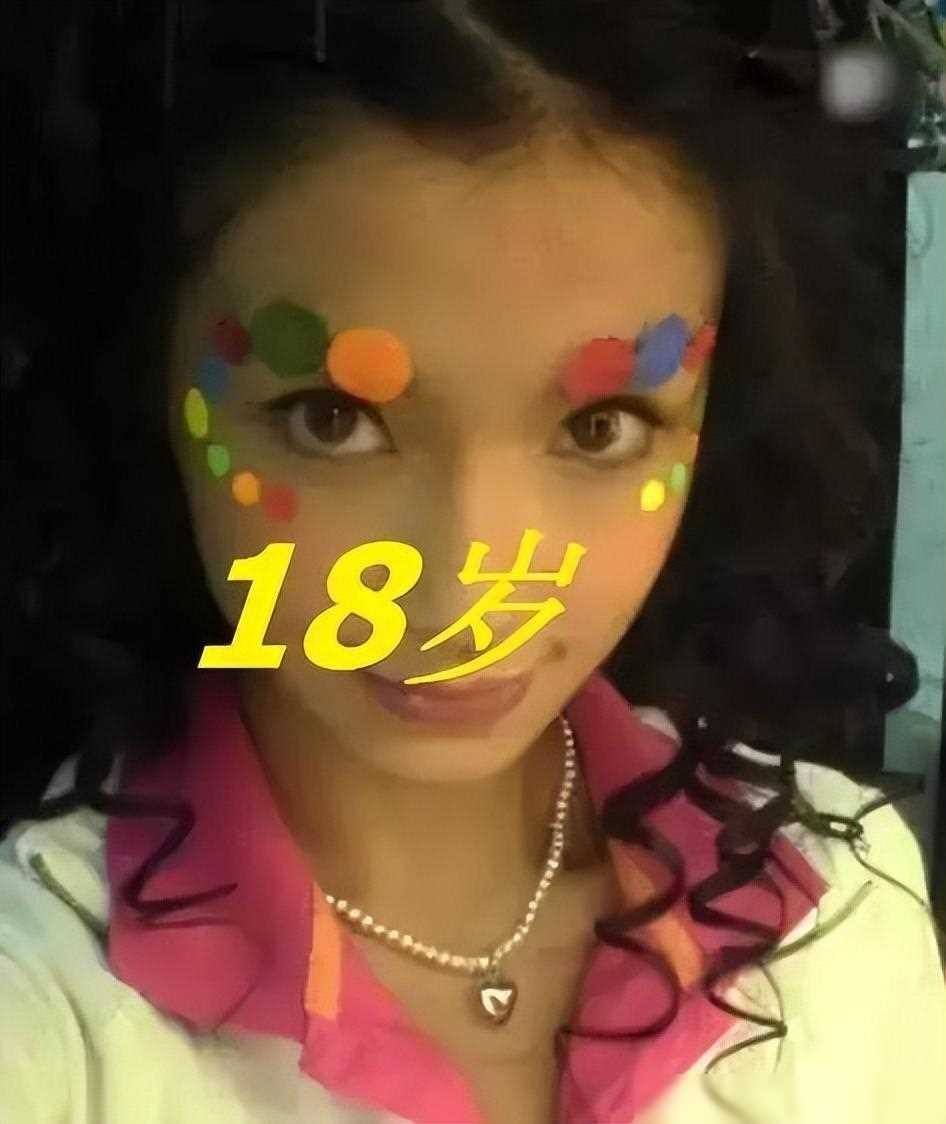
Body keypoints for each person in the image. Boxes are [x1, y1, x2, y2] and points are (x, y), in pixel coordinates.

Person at [1, 3, 944, 1123]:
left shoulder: (841, 913)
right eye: (331, 419)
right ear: (151, 387)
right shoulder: (42, 1008)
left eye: (600, 427)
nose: (464, 591)